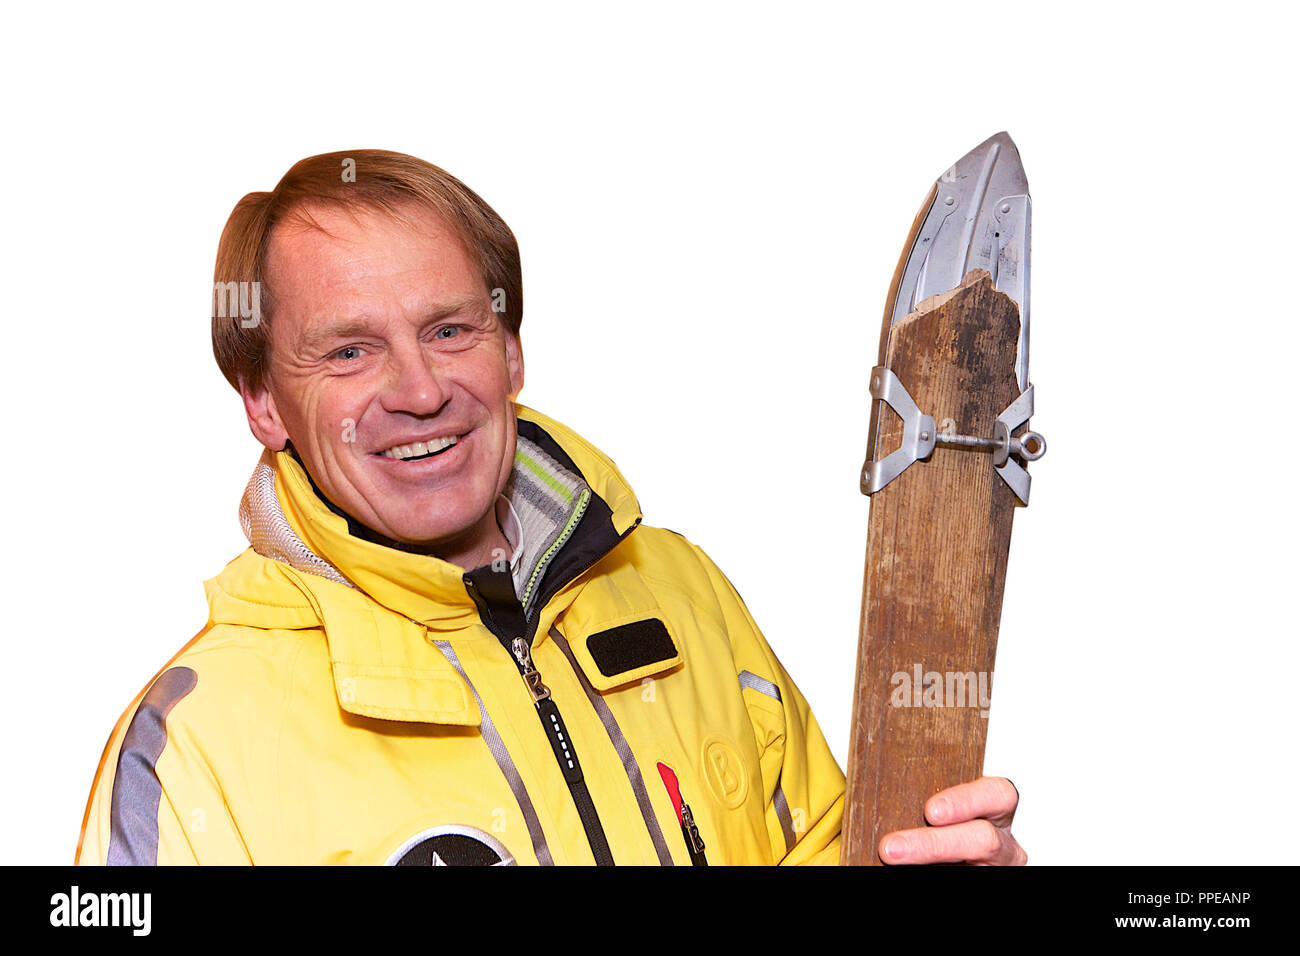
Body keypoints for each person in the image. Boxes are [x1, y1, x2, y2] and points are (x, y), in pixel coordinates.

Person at [75, 150, 1025, 866]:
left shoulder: (682, 595)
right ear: (264, 403)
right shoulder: (194, 747)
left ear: (512, 353)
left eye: (451, 331)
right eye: (349, 352)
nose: (419, 390)